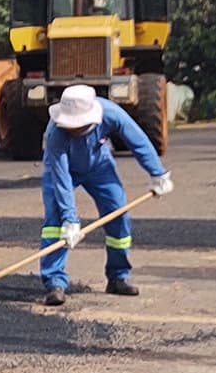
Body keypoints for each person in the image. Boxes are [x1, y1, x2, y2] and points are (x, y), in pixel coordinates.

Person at [37, 84, 173, 306]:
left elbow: (137, 140)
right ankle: (55, 282)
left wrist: (157, 173)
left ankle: (118, 277)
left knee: (118, 215)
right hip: (62, 171)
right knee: (56, 223)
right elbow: (61, 177)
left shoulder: (110, 113)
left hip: (99, 166)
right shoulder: (55, 133)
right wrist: (70, 218)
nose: (73, 130)